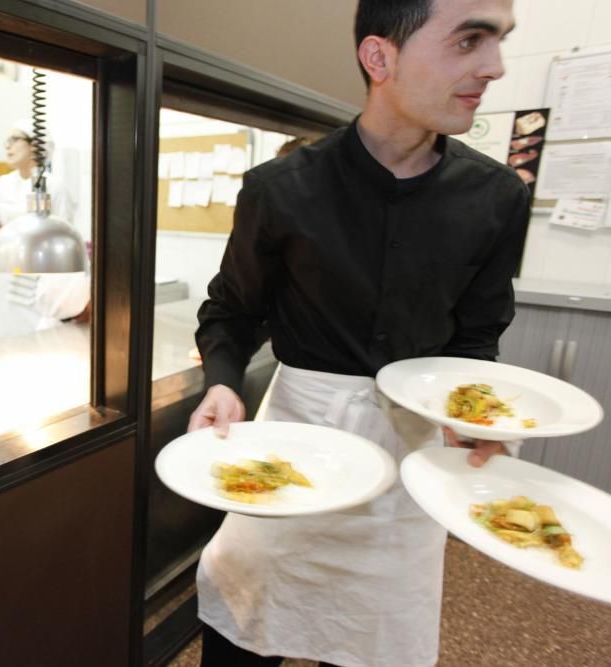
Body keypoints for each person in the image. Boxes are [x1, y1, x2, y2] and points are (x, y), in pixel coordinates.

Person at [189, 1, 528, 666]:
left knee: (375, 640)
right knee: (243, 621)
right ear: (380, 57)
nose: (494, 67)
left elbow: (477, 335)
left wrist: (466, 408)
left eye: (499, 41)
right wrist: (223, 384)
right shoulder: (281, 188)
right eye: (469, 40)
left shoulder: (496, 198)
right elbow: (231, 309)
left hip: (406, 457)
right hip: (293, 443)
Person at [0, 120, 88, 339]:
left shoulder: (54, 186)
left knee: (32, 340)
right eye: (7, 141)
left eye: (14, 139)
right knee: (2, 334)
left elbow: (62, 236)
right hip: (5, 274)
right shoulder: (2, 184)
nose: (7, 146)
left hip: (37, 281)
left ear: (35, 145)